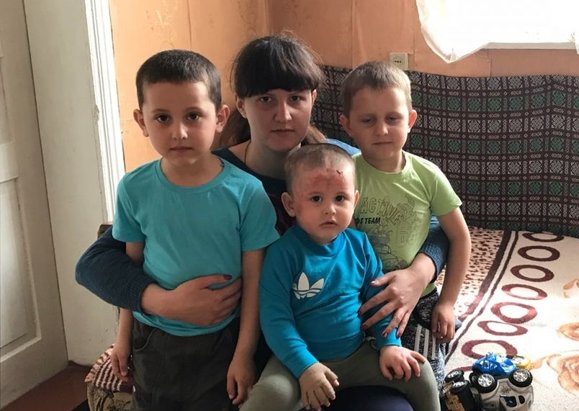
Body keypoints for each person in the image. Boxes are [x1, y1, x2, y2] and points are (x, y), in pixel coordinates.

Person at [76, 34, 448, 410]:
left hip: (345, 344)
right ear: (240, 105)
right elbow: (97, 262)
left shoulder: (345, 165)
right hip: (255, 353)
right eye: (266, 99)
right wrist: (164, 302)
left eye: (296, 98)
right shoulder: (209, 175)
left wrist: (419, 272)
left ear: (313, 99)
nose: (283, 115)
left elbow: (434, 223)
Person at [108, 49, 279, 410]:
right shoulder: (133, 189)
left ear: (220, 118)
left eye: (193, 115)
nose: (179, 132)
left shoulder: (247, 192)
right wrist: (122, 339)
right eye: (162, 118)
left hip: (221, 343)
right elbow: (129, 270)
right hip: (153, 340)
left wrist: (244, 354)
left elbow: (254, 282)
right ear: (141, 121)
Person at [241, 144, 440, 411]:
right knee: (271, 393)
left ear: (354, 201)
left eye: (340, 198)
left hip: (356, 356)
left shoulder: (359, 245)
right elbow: (275, 321)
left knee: (419, 371)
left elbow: (380, 301)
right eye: (316, 199)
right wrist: (305, 367)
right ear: (291, 204)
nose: (330, 210)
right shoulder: (282, 254)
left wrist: (389, 345)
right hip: (298, 363)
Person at [339, 61, 472, 386]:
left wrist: (447, 302)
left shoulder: (428, 176)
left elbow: (460, 237)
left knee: (426, 379)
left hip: (419, 299)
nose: (382, 130)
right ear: (348, 125)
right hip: (358, 299)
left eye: (393, 118)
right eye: (368, 120)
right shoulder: (344, 175)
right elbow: (341, 244)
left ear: (410, 120)